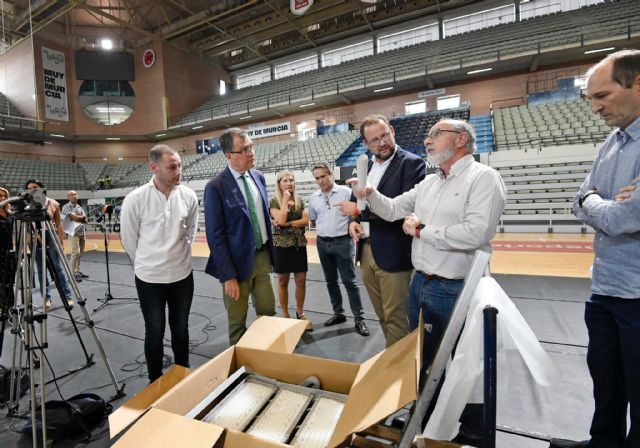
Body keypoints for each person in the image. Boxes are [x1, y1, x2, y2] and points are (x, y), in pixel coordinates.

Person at [353, 118, 506, 446]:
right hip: (420, 282)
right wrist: (369, 194)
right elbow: (393, 210)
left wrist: (423, 231)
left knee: (465, 361)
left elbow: (477, 233)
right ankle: (427, 415)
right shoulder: (431, 182)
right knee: (422, 357)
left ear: (461, 139)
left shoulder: (484, 178)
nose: (427, 140)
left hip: (454, 287)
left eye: (436, 134)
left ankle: (472, 430)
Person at [549, 49, 640, 448]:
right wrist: (600, 202)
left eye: (602, 96)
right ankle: (604, 444)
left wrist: (598, 204)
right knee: (606, 382)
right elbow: (580, 199)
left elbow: (622, 219)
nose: (595, 107)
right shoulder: (613, 141)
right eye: (591, 98)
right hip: (605, 289)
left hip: (638, 295)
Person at [338, 114, 426, 347]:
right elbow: (358, 207)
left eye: (384, 135)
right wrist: (353, 222)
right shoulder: (364, 166)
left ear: (393, 132)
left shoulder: (412, 163)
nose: (382, 142)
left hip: (395, 252)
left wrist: (357, 213)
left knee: (397, 318)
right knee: (383, 316)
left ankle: (400, 374)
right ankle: (395, 362)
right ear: (366, 145)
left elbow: (400, 208)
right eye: (374, 140)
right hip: (366, 251)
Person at [120, 144, 198, 383]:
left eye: (179, 165)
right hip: (150, 279)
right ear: (154, 168)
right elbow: (129, 239)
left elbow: (191, 232)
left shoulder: (188, 195)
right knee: (154, 332)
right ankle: (155, 381)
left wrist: (178, 256)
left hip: (182, 276)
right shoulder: (136, 199)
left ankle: (183, 373)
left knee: (181, 329)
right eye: (172, 167)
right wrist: (149, 263)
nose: (178, 171)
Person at [204, 128, 276, 345]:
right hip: (235, 266)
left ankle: (269, 359)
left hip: (262, 257)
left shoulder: (258, 176)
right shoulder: (215, 187)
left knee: (269, 314)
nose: (251, 152)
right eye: (244, 149)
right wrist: (228, 276)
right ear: (229, 156)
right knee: (237, 321)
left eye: (251, 146)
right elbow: (215, 236)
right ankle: (241, 370)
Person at [307, 162, 369, 337]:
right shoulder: (313, 198)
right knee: (330, 281)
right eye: (317, 178)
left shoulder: (347, 192)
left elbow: (357, 214)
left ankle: (359, 318)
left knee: (349, 281)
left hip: (342, 242)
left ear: (331, 175)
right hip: (322, 243)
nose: (320, 180)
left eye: (323, 176)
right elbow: (312, 219)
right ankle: (339, 313)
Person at [269, 170, 312, 330]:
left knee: (301, 280)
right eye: (285, 181)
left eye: (291, 180)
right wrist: (285, 200)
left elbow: (306, 221)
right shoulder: (274, 201)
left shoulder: (300, 200)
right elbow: (280, 221)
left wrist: (289, 224)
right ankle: (285, 314)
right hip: (281, 247)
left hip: (299, 244)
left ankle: (300, 313)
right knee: (282, 281)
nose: (289, 183)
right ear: (279, 184)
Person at [25, 179, 75, 309]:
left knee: (58, 268)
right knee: (41, 269)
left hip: (51, 235)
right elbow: (26, 227)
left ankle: (67, 295)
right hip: (35, 237)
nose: (32, 190)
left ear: (42, 188)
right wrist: (28, 243)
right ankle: (46, 297)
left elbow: (58, 224)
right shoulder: (26, 205)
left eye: (35, 187)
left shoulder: (53, 203)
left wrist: (60, 241)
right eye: (29, 188)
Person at [61, 190, 89, 282]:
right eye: (72, 194)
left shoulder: (79, 206)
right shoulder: (66, 207)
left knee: (80, 254)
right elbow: (74, 218)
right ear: (68, 197)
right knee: (75, 253)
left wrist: (80, 217)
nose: (74, 195)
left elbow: (86, 220)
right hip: (73, 233)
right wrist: (81, 217)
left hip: (82, 232)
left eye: (75, 194)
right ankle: (72, 274)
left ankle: (77, 271)